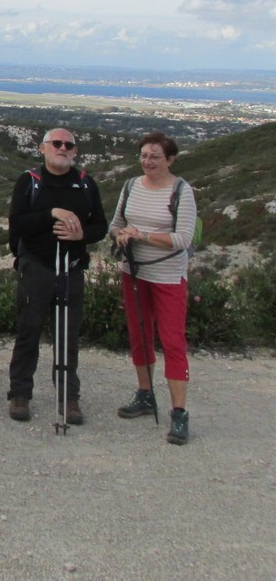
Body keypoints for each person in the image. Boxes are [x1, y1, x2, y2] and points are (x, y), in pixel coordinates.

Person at [7, 128, 107, 424]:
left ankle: (69, 397)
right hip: (36, 266)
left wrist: (80, 235)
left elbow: (100, 226)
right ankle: (20, 393)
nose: (62, 148)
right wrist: (52, 213)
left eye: (68, 145)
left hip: (72, 267)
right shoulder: (29, 182)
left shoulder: (86, 184)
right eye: (56, 143)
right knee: (29, 330)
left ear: (75, 151)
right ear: (43, 148)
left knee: (68, 334)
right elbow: (17, 224)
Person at [109, 132, 197, 445]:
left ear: (170, 160)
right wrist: (121, 235)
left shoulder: (181, 191)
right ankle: (145, 393)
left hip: (168, 275)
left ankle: (179, 413)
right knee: (139, 333)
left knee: (173, 340)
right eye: (144, 155)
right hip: (133, 272)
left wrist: (143, 235)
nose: (148, 161)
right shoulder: (131, 185)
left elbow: (182, 239)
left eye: (155, 157)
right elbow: (115, 224)